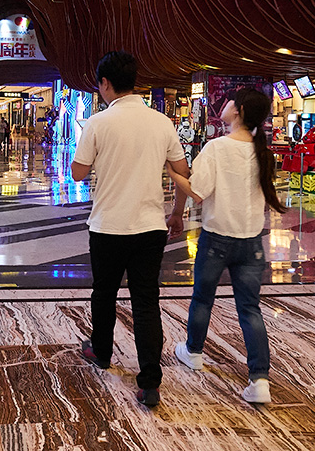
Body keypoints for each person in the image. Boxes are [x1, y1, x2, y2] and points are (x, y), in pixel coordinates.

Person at [71, 51, 190, 408]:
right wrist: (178, 214)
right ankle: (150, 381)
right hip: (150, 227)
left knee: (104, 293)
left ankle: (102, 352)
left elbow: (78, 172)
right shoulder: (161, 122)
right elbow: (183, 171)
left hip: (108, 226)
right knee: (146, 302)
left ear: (105, 83)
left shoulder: (97, 123)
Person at [166, 87, 286, 404]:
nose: (225, 104)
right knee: (250, 309)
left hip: (217, 237)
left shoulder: (217, 148)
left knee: (203, 298)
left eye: (230, 101)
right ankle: (259, 379)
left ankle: (193, 351)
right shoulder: (263, 152)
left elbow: (197, 191)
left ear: (239, 111)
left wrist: (172, 171)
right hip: (251, 242)